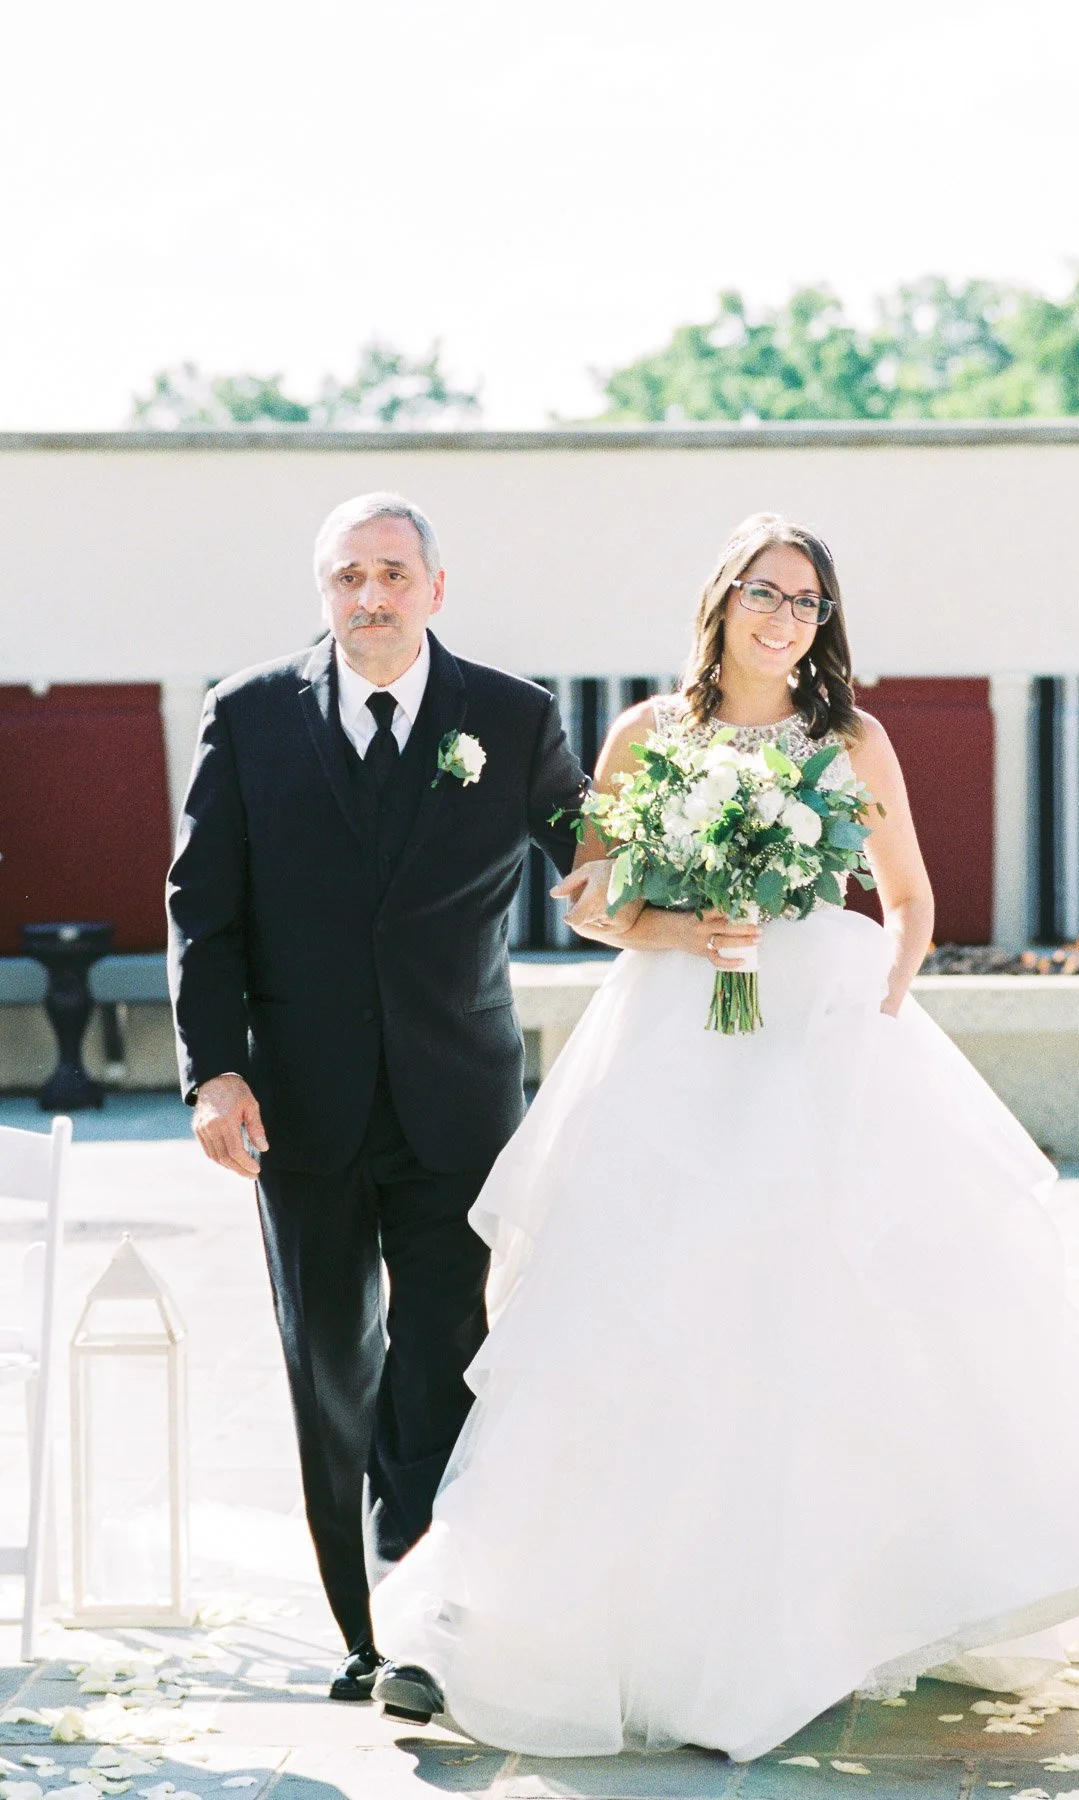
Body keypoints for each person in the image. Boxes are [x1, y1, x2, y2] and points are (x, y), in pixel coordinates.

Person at [369, 512, 1079, 1759]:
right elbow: (594, 903)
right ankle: (526, 1625)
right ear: (723, 598)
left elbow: (908, 902)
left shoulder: (852, 738)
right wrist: (693, 930)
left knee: (817, 1326)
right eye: (767, 592)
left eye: (808, 602)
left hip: (820, 1046)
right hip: (674, 1045)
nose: (786, 618)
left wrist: (875, 1009)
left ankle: (807, 1634)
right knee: (637, 1318)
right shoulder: (651, 732)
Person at [166, 492, 596, 1706]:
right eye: (348, 574)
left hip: (458, 1102)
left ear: (437, 588)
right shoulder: (247, 715)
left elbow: (596, 871)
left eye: (393, 573)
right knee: (331, 1366)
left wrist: (716, 885)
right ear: (324, 589)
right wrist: (215, 1070)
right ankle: (359, 1622)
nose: (371, 595)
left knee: (444, 1355)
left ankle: (424, 1625)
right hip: (296, 1107)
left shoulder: (511, 718)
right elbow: (204, 906)